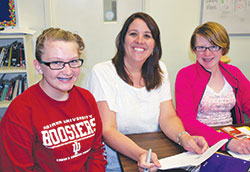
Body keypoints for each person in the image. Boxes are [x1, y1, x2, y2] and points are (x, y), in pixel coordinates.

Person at [86, 12, 208, 172]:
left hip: (157, 157)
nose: (139, 41)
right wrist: (141, 154)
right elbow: (108, 130)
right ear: (122, 40)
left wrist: (184, 138)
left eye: (147, 35)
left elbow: (168, 117)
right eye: (133, 34)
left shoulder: (160, 68)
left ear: (154, 45)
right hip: (118, 163)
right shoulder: (102, 72)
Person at [0, 28, 106, 171]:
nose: (67, 71)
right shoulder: (19, 112)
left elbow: (96, 151)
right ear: (38, 67)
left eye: (73, 61)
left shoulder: (86, 98)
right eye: (56, 62)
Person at [175, 21, 250, 155]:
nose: (207, 53)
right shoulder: (185, 75)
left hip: (234, 139)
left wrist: (231, 141)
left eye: (214, 47)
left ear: (223, 48)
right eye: (201, 47)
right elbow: (187, 122)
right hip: (201, 142)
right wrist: (226, 142)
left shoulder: (234, 73)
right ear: (194, 49)